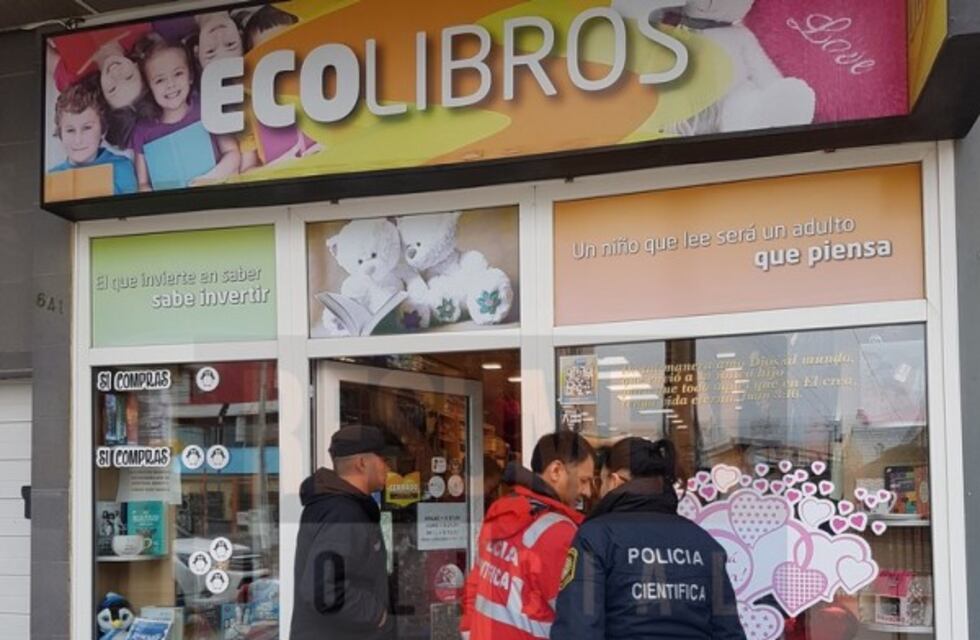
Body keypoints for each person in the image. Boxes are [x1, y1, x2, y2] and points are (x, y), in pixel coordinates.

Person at [551, 438, 746, 639]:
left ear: (614, 481)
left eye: (599, 482)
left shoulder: (596, 537)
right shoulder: (704, 543)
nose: (596, 492)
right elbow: (729, 632)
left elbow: (577, 629)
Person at [460, 431, 596, 640]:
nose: (587, 492)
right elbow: (578, 620)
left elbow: (476, 583)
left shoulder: (501, 510)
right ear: (556, 471)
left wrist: (469, 632)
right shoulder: (558, 533)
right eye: (583, 480)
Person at [291, 425, 394, 640]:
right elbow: (322, 591)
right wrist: (377, 614)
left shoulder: (338, 506)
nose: (388, 467)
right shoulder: (342, 513)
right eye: (383, 459)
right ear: (362, 463)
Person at [130, 34, 240, 190]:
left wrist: (206, 181)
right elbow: (143, 184)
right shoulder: (142, 131)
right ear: (149, 87)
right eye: (160, 80)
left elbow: (232, 153)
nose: (171, 84)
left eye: (178, 73)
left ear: (190, 76)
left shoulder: (207, 108)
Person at [49, 79, 138, 196]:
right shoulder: (52, 177)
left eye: (87, 128)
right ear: (60, 134)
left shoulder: (121, 167)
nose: (78, 140)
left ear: (103, 131)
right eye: (70, 130)